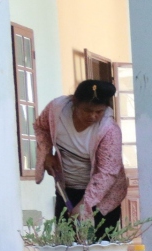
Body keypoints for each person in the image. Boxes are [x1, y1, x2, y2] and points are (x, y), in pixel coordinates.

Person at [34, 79, 128, 239]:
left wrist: (86, 204)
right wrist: (47, 154)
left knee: (99, 247)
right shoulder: (57, 110)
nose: (92, 116)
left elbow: (107, 173)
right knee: (67, 245)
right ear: (74, 102)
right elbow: (41, 127)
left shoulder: (109, 130)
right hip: (67, 190)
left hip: (102, 196)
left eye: (99, 111)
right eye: (87, 110)